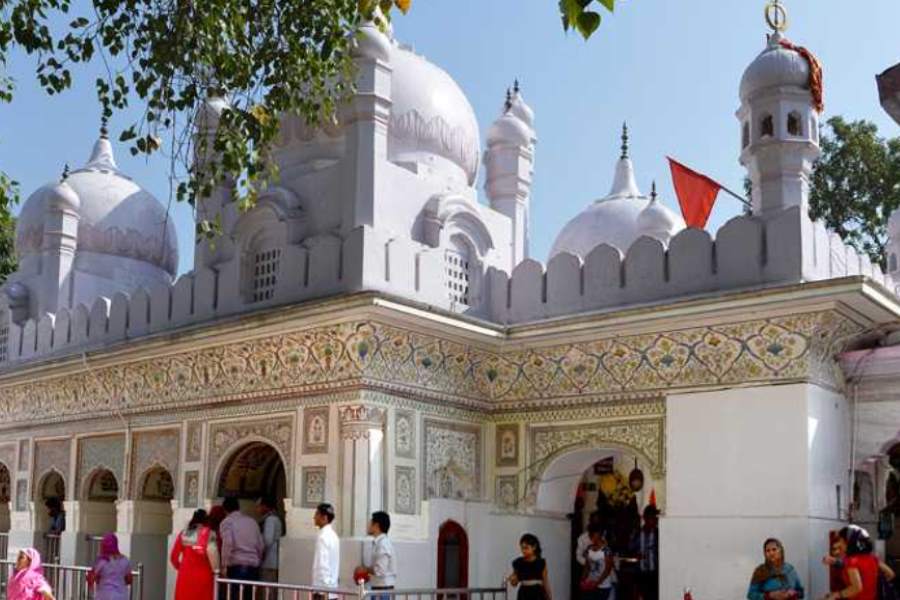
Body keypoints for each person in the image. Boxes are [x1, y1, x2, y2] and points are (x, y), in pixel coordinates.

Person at [826, 525, 896, 600]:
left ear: (849, 543)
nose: (840, 545)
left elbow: (856, 588)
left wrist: (836, 595)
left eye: (842, 541)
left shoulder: (851, 561)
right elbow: (891, 574)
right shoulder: (873, 558)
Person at [170, 509, 220, 600]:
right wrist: (217, 571)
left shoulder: (184, 534)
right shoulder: (209, 533)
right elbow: (213, 555)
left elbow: (173, 558)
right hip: (204, 576)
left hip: (185, 576)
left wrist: (182, 568)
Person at [220, 496, 264, 590]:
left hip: (237, 567)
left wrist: (224, 565)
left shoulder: (227, 522)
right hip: (253, 567)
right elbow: (260, 545)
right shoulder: (252, 522)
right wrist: (258, 560)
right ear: (238, 507)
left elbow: (228, 544)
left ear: (225, 510)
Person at [87, 533, 133, 600]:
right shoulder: (125, 560)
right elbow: (129, 580)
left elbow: (91, 578)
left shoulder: (101, 561)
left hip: (104, 595)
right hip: (121, 596)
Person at [509, 533, 552, 600]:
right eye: (522, 548)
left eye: (526, 548)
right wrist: (512, 579)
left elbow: (545, 582)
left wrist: (549, 597)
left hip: (538, 594)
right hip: (523, 594)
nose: (523, 551)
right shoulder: (518, 562)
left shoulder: (541, 562)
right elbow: (514, 583)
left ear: (534, 547)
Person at [364, 511, 397, 598]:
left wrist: (364, 570)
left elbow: (380, 571)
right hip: (379, 588)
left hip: (382, 590)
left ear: (376, 525)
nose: (368, 525)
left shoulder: (383, 544)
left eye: (370, 523)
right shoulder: (379, 543)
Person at [312, 503, 341, 600]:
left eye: (317, 514)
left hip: (323, 591)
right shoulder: (334, 536)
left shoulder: (323, 537)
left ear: (324, 517)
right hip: (332, 589)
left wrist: (325, 589)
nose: (314, 517)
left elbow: (322, 565)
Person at [579, 525, 614, 600]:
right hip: (591, 584)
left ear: (598, 534)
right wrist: (583, 579)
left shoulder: (606, 550)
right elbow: (587, 566)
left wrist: (597, 583)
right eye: (590, 534)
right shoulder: (589, 549)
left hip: (603, 586)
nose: (590, 536)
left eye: (592, 534)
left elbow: (607, 570)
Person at [632, 505, 659, 600]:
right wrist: (635, 555)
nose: (655, 520)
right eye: (652, 518)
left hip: (655, 573)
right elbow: (630, 548)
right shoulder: (638, 533)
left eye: (655, 518)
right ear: (645, 518)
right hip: (641, 573)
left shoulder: (658, 533)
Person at [257, 496, 283, 583]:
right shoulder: (275, 518)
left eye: (259, 506)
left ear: (265, 506)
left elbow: (267, 541)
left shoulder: (270, 520)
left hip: (269, 562)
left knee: (267, 591)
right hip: (272, 561)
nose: (258, 509)